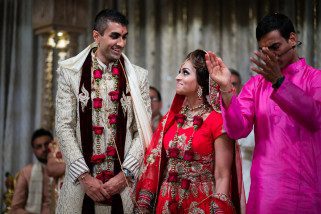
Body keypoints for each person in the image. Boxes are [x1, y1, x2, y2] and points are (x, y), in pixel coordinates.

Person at [206, 12, 321, 213]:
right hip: (265, 192)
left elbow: (314, 117)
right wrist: (225, 88)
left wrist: (279, 82)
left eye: (275, 47)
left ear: (292, 39)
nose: (271, 56)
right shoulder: (256, 85)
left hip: (305, 190)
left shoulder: (315, 79)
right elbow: (237, 129)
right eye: (264, 50)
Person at [55, 9, 152, 213]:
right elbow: (64, 127)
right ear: (96, 36)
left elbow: (142, 131)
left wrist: (125, 174)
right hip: (80, 186)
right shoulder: (71, 73)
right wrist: (84, 177)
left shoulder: (138, 77)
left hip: (124, 186)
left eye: (124, 37)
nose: (121, 43)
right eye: (115, 36)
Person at [135, 50, 244, 213]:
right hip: (166, 203)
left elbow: (223, 175)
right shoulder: (170, 120)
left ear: (200, 81)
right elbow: (155, 162)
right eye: (179, 72)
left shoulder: (217, 120)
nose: (178, 77)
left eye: (185, 73)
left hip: (201, 203)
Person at [11, 129, 54, 214]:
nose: (44, 149)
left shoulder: (65, 168)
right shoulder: (27, 172)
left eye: (47, 144)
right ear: (34, 151)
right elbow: (15, 208)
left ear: (54, 145)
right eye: (39, 146)